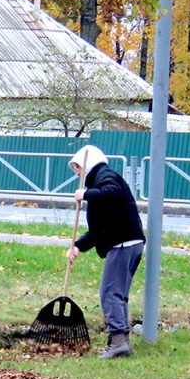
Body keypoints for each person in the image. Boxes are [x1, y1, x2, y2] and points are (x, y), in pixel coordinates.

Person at [66, 145, 145, 359]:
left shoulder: (106, 176)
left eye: (78, 168)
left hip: (123, 243)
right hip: (128, 241)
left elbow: (113, 193)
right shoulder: (98, 183)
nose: (77, 174)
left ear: (88, 164)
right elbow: (99, 229)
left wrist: (85, 194)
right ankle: (121, 341)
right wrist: (78, 246)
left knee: (110, 293)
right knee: (118, 294)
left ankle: (118, 342)